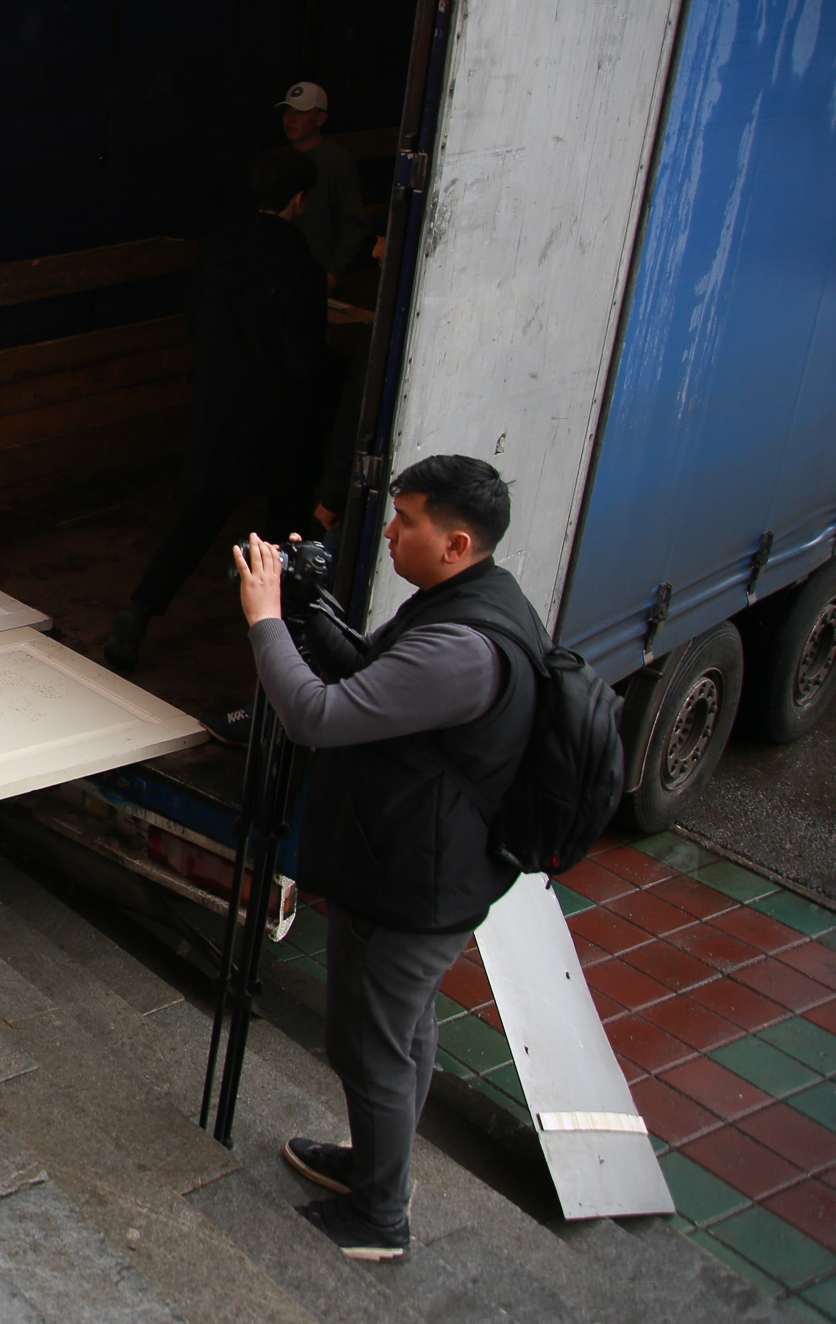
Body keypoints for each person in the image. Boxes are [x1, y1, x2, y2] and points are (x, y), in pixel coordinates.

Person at [236, 455, 544, 1262]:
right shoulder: (472, 597)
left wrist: (264, 618)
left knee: (369, 1046)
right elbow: (374, 674)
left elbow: (315, 714)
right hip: (419, 865)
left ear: (455, 542)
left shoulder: (462, 649)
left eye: (406, 521)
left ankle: (379, 1216)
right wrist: (308, 607)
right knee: (403, 1030)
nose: (390, 532)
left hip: (413, 885)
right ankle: (377, 1168)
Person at [106, 149, 327, 676]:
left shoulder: (217, 250)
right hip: (279, 419)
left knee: (198, 520)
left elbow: (197, 324)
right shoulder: (302, 265)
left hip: (222, 408)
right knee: (285, 537)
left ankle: (138, 613)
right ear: (300, 200)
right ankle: (285, 654)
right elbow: (304, 361)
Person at [279, 81, 366, 288]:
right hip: (279, 272)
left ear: (320, 119)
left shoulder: (336, 160)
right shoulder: (278, 159)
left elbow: (355, 221)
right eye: (287, 111)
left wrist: (335, 272)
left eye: (300, 112)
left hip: (316, 273)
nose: (291, 119)